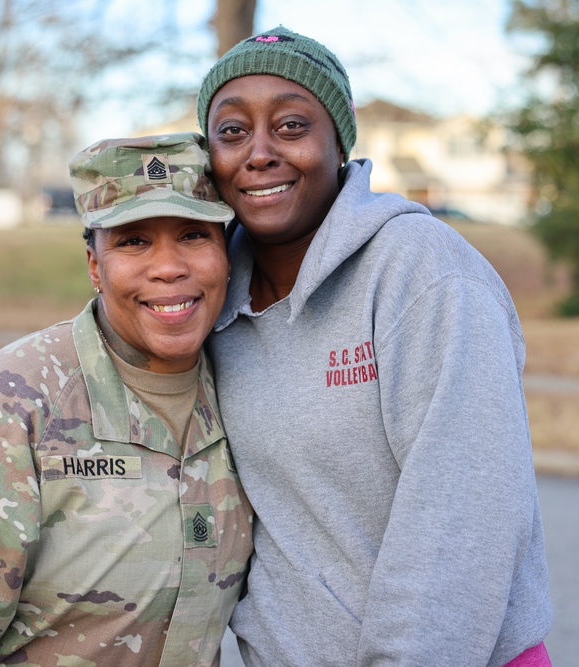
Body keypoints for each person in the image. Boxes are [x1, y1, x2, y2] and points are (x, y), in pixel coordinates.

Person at [197, 26, 553, 667]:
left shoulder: (425, 275)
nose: (258, 153)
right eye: (231, 131)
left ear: (339, 142)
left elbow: (462, 525)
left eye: (291, 126)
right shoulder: (211, 300)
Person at [0, 132, 253, 666]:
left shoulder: (250, 390)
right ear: (95, 265)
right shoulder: (1, 408)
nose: (168, 267)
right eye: (133, 241)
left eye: (193, 235)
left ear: (226, 256)